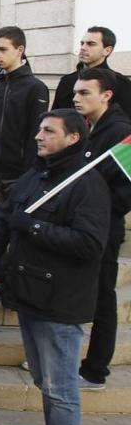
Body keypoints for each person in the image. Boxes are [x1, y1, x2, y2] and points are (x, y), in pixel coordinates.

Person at [0, 109, 109, 425]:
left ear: (73, 138)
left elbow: (89, 244)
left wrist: (34, 226)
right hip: (27, 295)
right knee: (43, 380)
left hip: (60, 306)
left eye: (49, 131)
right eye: (40, 129)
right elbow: (4, 217)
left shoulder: (88, 184)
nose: (39, 136)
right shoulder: (35, 175)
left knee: (60, 390)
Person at [0, 26, 49, 304]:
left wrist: (33, 173)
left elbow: (37, 135)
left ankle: (19, 283)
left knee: (21, 230)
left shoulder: (35, 88)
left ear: (20, 50)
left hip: (22, 175)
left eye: (3, 49)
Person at [72, 68, 131, 390]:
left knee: (103, 300)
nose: (76, 98)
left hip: (103, 230)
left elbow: (125, 191)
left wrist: (94, 209)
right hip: (79, 227)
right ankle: (61, 356)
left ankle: (96, 370)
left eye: (84, 93)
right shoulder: (87, 127)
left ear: (106, 95)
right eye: (76, 93)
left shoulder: (120, 132)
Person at [52, 26, 131, 114]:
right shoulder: (67, 81)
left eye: (91, 44)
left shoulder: (120, 83)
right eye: (82, 43)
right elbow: (55, 116)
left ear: (107, 50)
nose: (83, 48)